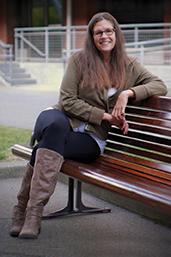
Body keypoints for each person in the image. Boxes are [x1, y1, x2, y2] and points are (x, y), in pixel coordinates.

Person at [10, 12, 167, 239]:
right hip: (61, 118)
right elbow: (67, 100)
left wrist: (127, 93)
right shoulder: (79, 60)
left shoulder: (129, 65)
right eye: (98, 32)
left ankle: (23, 212)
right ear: (92, 37)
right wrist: (104, 116)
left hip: (91, 138)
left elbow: (159, 86)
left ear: (116, 33)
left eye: (109, 31)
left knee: (46, 144)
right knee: (54, 128)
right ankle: (31, 214)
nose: (104, 36)